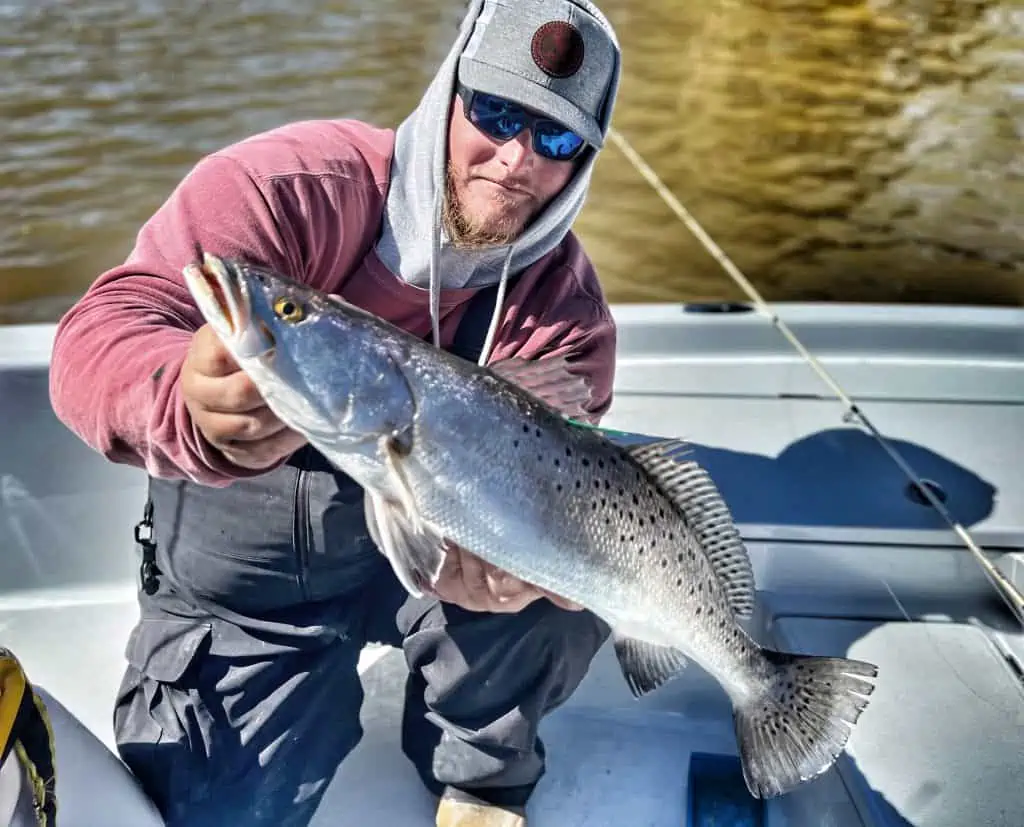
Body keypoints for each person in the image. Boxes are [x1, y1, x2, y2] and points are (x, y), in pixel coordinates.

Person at [48, 0, 622, 824]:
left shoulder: (566, 310)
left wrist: (525, 566)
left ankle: (480, 776)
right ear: (448, 92)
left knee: (552, 601)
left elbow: (580, 478)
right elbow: (96, 334)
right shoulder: (284, 189)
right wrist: (183, 396)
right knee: (215, 803)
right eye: (495, 112)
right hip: (251, 583)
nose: (514, 157)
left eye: (557, 139)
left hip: (442, 550)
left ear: (583, 163)